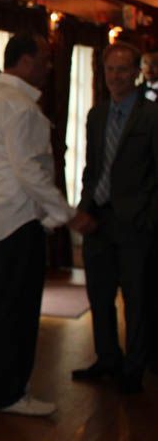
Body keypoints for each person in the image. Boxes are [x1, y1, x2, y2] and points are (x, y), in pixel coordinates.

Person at [0, 33, 86, 417]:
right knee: (19, 311)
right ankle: (11, 393)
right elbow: (29, 171)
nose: (48, 67)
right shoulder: (21, 107)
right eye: (44, 60)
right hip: (19, 220)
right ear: (26, 62)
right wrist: (66, 214)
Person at [71, 41, 158, 394]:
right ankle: (107, 358)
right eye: (110, 70)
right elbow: (93, 168)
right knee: (99, 295)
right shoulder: (97, 114)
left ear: (137, 72)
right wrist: (83, 207)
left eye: (123, 70)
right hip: (98, 220)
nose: (116, 77)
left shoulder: (152, 116)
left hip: (136, 222)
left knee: (137, 299)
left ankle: (134, 369)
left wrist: (149, 219)